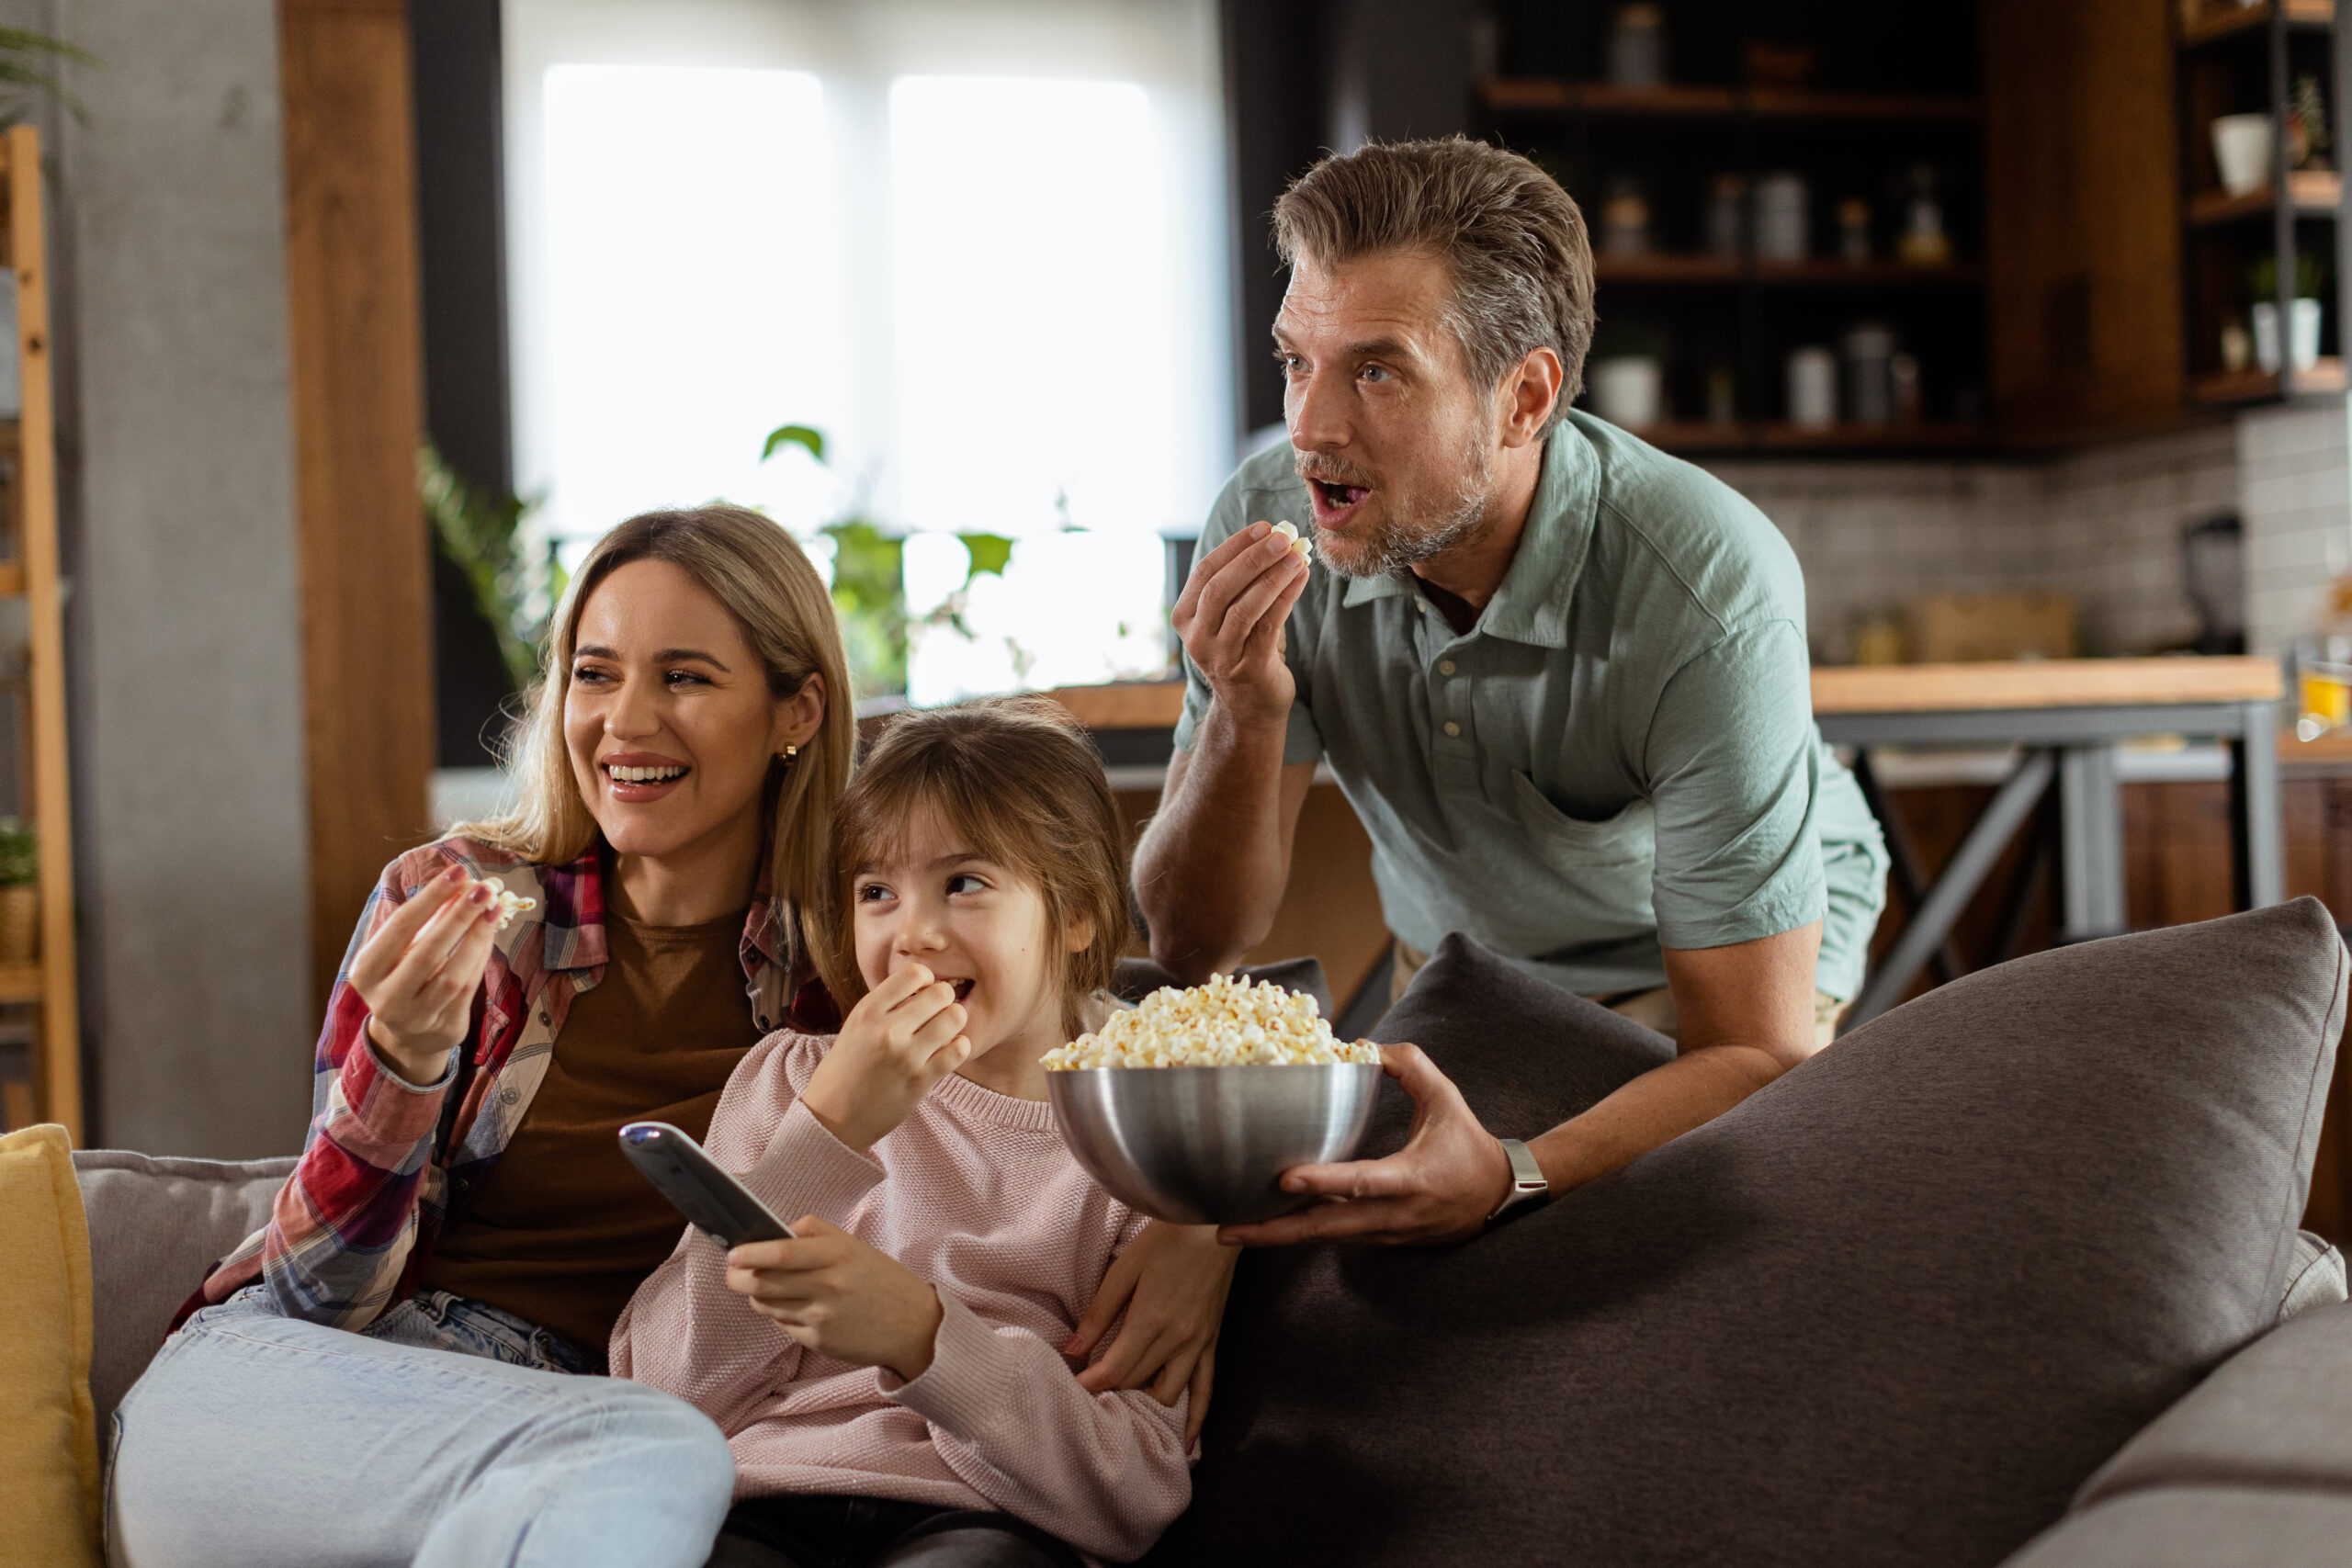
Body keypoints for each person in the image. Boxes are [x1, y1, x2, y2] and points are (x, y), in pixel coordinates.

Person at [1135, 138, 1890, 1248]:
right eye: (1298, 362)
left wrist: (1512, 1177)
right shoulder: (1274, 518)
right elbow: (1193, 943)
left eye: (1377, 370)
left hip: (1708, 973)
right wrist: (1247, 711)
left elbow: (1749, 1049)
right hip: (1463, 961)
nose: (1310, 430)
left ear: (1523, 398)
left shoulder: (1706, 585)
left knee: (1638, 1255)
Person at [107, 506, 854, 1568]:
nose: (626, 722)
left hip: (563, 1456)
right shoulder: (458, 902)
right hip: (278, 1403)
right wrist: (402, 1065)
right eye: (594, 675)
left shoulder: (858, 958)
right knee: (657, 1454)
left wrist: (1179, 1234)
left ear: (798, 710)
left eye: (684, 677)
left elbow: (1071, 1069)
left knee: (649, 1463)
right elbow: (319, 1294)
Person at [615, 699, 1193, 1568]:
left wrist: (920, 1336)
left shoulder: (1143, 1132)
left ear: (1075, 914)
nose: (911, 935)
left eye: (964, 882)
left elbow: (1136, 1487)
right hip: (760, 1496)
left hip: (984, 1519)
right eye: (877, 892)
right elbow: (661, 1392)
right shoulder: (795, 1083)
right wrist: (830, 1129)